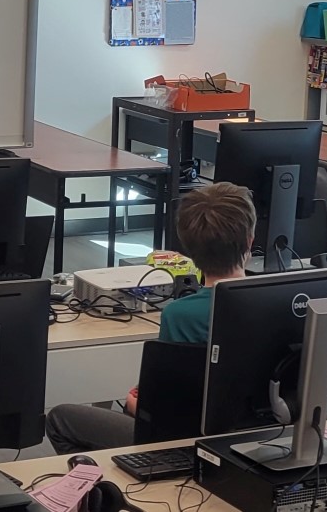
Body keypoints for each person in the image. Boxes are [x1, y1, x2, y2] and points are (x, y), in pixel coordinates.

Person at [44, 182, 256, 453]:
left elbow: (164, 410)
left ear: (188, 251)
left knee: (61, 419)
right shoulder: (284, 302)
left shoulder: (180, 315)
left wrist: (137, 406)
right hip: (262, 442)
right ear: (250, 240)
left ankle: (110, 491)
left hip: (184, 445)